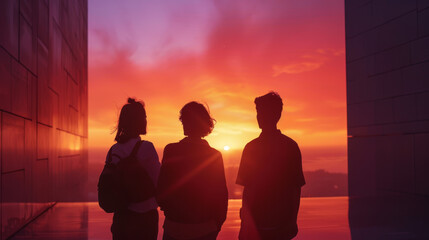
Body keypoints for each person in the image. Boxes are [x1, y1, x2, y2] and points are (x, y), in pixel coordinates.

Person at [236, 92, 305, 240]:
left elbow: (248, 191)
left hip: (260, 223)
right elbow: (295, 189)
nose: (259, 117)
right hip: (281, 223)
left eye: (261, 112)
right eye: (258, 113)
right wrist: (293, 220)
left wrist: (245, 225)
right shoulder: (290, 146)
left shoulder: (251, 148)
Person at [157, 101, 228, 240]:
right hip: (205, 228)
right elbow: (221, 196)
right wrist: (215, 225)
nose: (183, 123)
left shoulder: (171, 150)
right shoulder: (214, 155)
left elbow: (161, 190)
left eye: (184, 119)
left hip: (175, 227)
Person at [107, 98, 160, 240]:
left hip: (122, 216)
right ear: (139, 121)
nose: (146, 121)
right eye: (145, 117)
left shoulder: (114, 150)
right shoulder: (147, 148)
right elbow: (158, 182)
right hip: (145, 216)